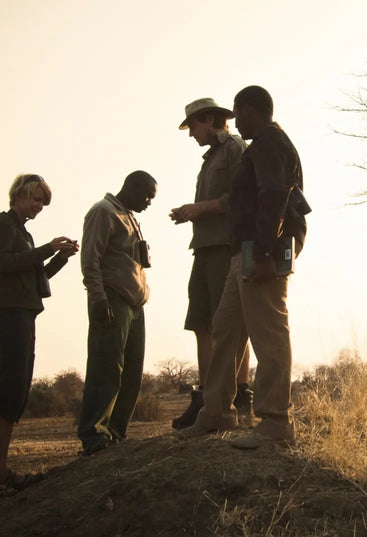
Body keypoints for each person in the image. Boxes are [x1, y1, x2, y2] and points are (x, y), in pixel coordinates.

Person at [178, 85, 309, 449]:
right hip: (245, 252)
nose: (236, 122)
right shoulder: (262, 146)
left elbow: (274, 198)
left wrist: (266, 254)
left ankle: (275, 422)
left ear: (251, 110)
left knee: (268, 333)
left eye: (239, 112)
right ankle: (215, 413)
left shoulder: (269, 143)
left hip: (260, 252)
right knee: (224, 329)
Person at [0, 174, 79, 500]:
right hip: (8, 316)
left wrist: (59, 257)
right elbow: (3, 266)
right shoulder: (2, 224)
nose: (39, 206)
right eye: (35, 199)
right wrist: (47, 248)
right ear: (18, 195)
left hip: (24, 314)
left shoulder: (23, 233)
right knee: (3, 397)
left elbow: (33, 277)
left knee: (15, 397)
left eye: (42, 201)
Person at [169, 98, 252, 429]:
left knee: (228, 326)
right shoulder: (212, 156)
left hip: (225, 249)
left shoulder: (235, 149)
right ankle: (207, 399)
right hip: (204, 248)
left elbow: (244, 198)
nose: (191, 135)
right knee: (203, 323)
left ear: (207, 120)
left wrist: (201, 208)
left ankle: (236, 397)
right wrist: (191, 212)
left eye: (193, 127)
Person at [77, 171, 157, 455]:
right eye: (146, 196)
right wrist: (98, 299)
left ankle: (115, 434)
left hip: (135, 305)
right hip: (112, 299)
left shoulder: (130, 215)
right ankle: (94, 434)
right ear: (131, 187)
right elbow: (90, 259)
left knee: (131, 372)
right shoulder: (103, 211)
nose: (149, 203)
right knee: (106, 367)